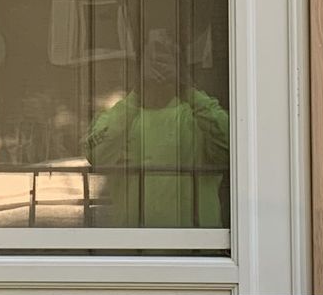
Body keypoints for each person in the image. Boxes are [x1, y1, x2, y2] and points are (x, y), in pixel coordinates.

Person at [86, 31, 228, 228]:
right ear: (140, 66)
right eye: (152, 57)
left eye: (168, 55)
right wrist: (138, 93)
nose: (160, 64)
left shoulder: (198, 114)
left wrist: (186, 89)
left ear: (181, 66)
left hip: (198, 249)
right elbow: (96, 154)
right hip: (133, 249)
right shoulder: (122, 114)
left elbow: (231, 149)